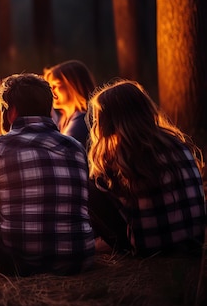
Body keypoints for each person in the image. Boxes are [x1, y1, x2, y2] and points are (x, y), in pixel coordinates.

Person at [0, 73, 95, 276]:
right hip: (78, 259)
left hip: (19, 264)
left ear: (11, 111)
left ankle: (4, 250)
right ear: (49, 108)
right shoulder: (74, 147)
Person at [87, 79, 206, 257]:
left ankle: (104, 246)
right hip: (195, 239)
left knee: (89, 188)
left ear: (109, 119)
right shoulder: (175, 141)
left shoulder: (123, 154)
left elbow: (122, 209)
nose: (96, 122)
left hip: (152, 249)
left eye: (98, 116)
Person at [43, 60, 96, 148]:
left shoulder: (82, 121)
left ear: (74, 86)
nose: (51, 90)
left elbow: (62, 152)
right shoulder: (65, 120)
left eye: (56, 85)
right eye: (50, 86)